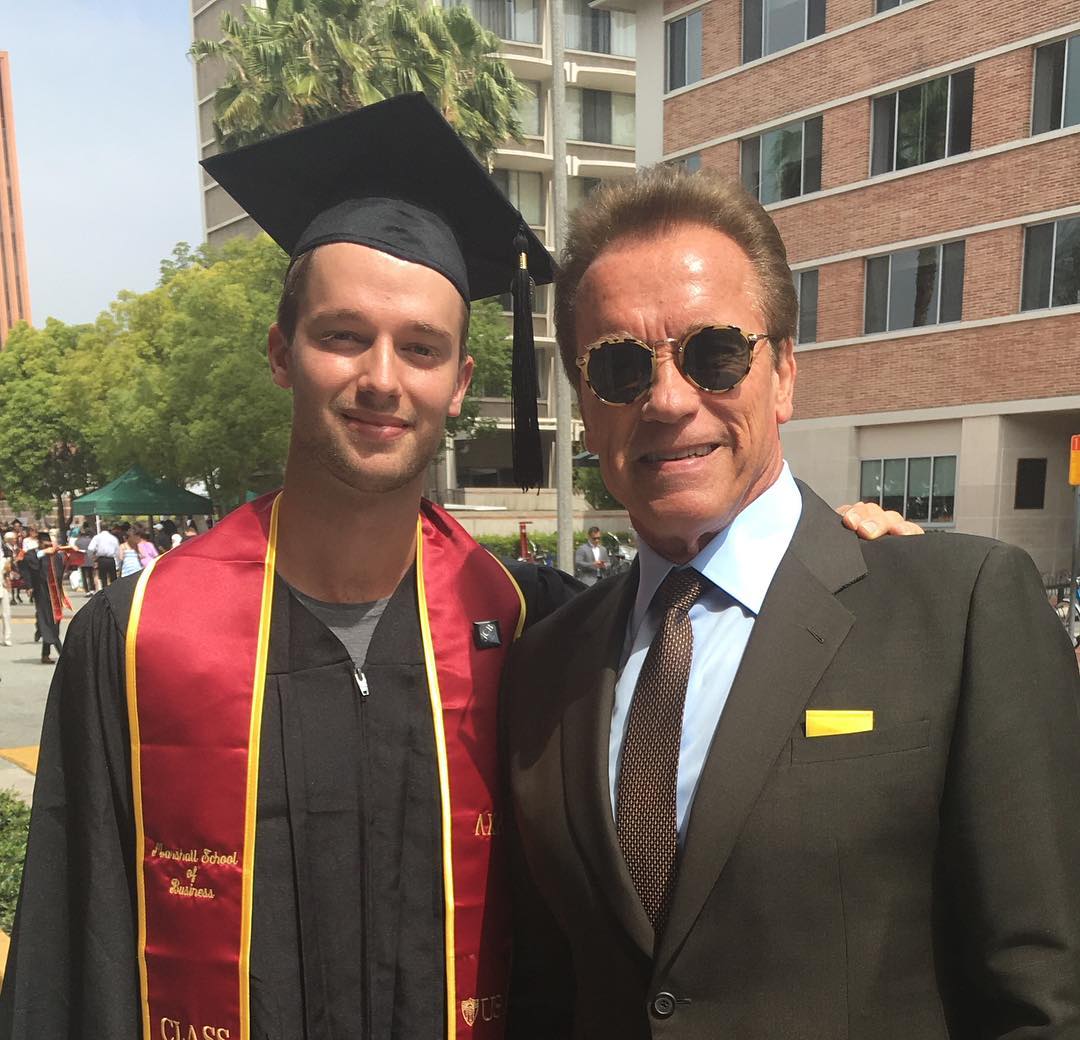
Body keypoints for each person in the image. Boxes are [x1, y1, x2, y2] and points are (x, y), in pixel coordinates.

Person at [0, 94, 578, 1040]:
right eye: (343, 335)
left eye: (421, 348)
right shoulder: (136, 641)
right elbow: (75, 957)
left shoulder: (532, 628)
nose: (382, 378)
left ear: (460, 383)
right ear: (281, 352)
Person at [503, 168, 1080, 1038]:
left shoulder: (957, 612)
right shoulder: (547, 664)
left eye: (714, 354)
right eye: (620, 367)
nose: (668, 399)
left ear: (783, 376)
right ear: (585, 403)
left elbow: (1041, 997)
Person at [23, 533, 67, 664]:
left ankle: (45, 654)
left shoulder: (56, 556)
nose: (48, 547)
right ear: (40, 543)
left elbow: (61, 571)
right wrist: (42, 553)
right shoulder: (33, 554)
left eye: (50, 544)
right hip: (41, 592)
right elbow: (28, 566)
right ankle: (63, 653)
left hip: (54, 594)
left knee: (54, 621)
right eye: (45, 544)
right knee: (47, 620)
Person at [87, 522, 119, 589]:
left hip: (102, 560)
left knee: (103, 578)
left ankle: (105, 591)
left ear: (100, 528)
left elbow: (90, 549)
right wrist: (117, 563)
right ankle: (113, 591)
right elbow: (117, 552)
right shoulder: (113, 538)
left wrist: (92, 559)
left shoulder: (97, 537)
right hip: (111, 560)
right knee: (113, 578)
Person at [74, 523, 96, 596]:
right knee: (91, 575)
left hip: (82, 560)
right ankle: (92, 589)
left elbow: (76, 551)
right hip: (90, 559)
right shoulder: (91, 540)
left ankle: (87, 591)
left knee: (84, 576)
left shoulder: (77, 541)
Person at [1, 532, 14, 646]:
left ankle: (7, 637)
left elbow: (8, 572)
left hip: (3, 586)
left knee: (6, 613)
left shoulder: (6, 555)